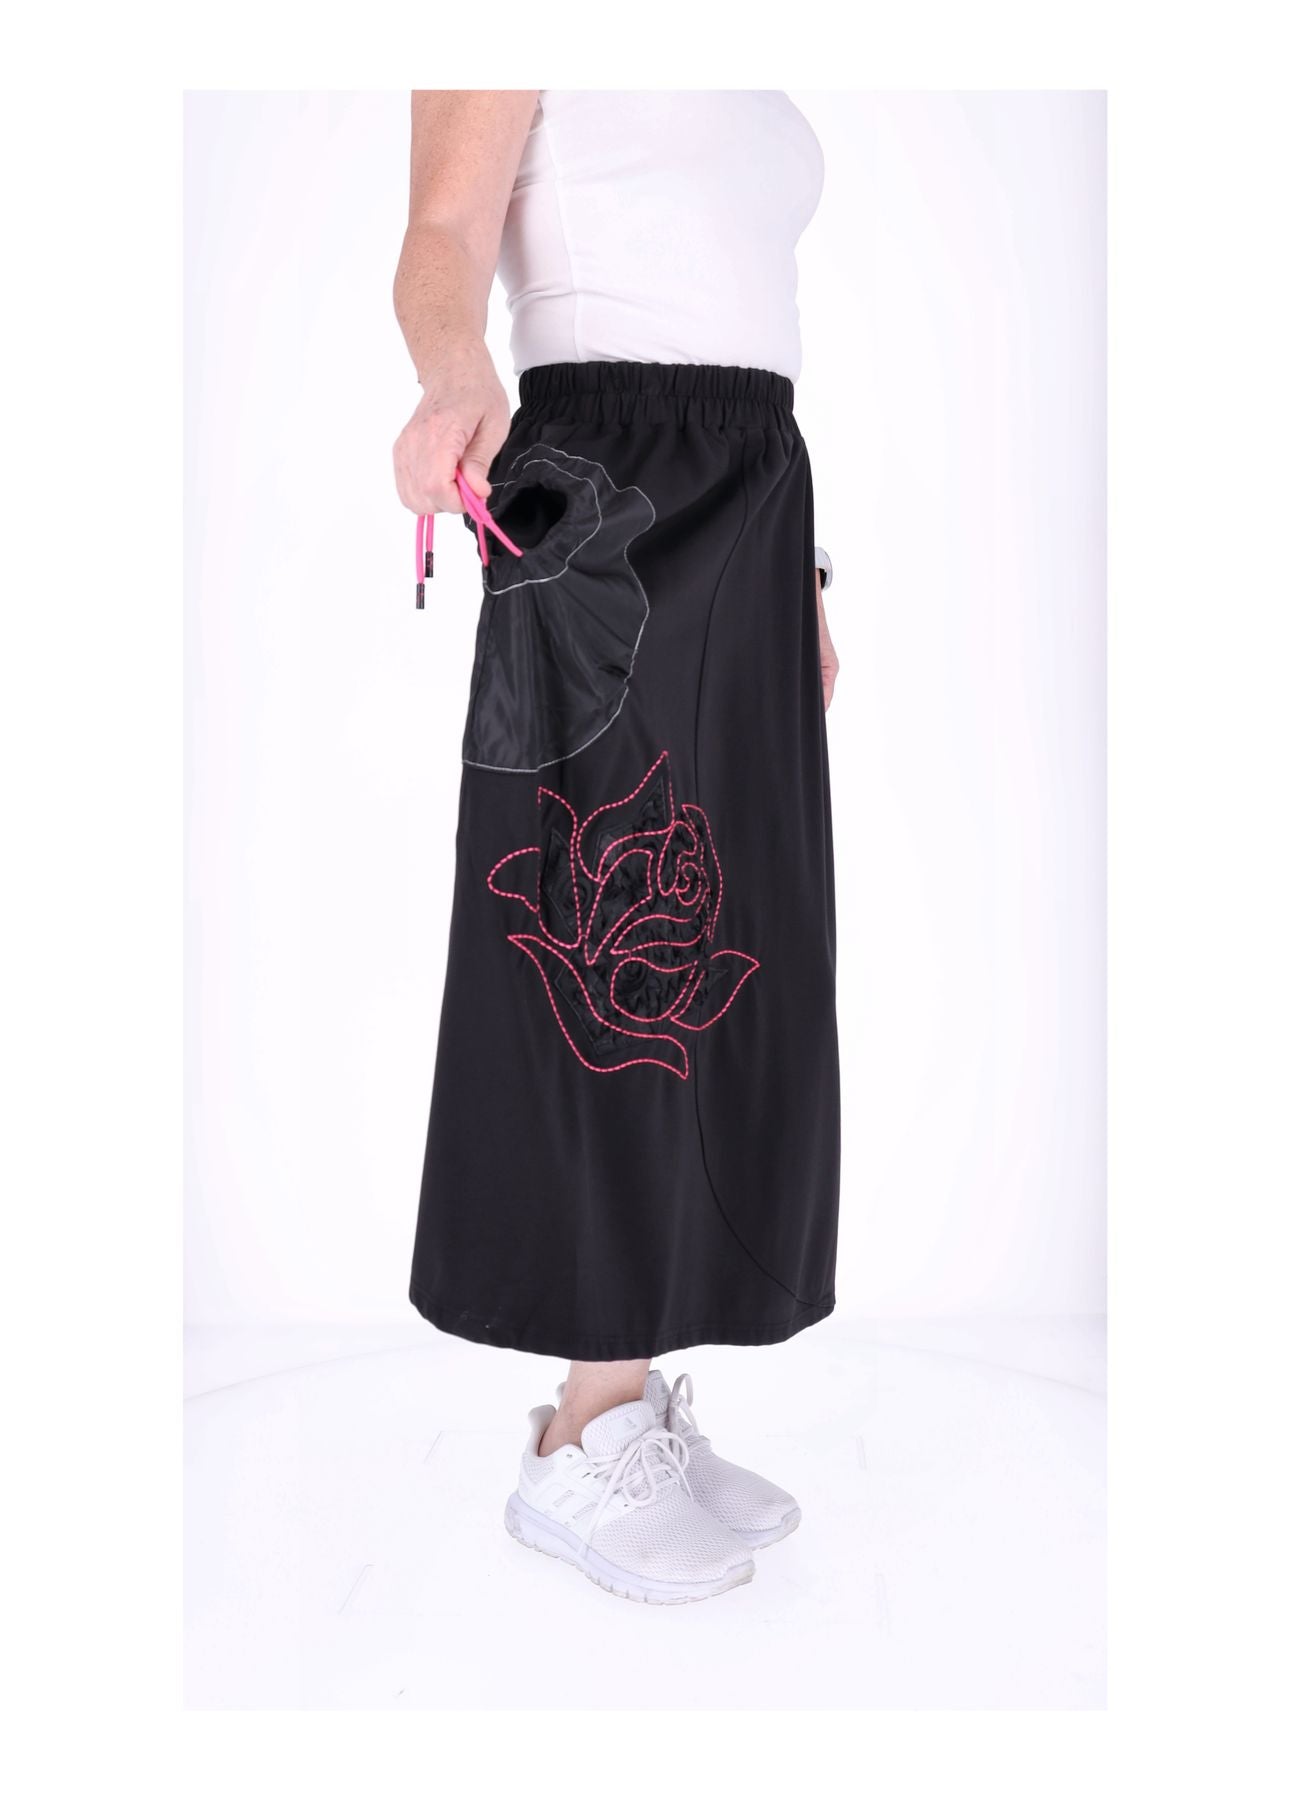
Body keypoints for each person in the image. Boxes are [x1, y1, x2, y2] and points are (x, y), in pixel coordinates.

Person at [394, 89, 841, 1605]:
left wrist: (803, 573)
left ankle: (632, 1394)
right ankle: (580, 1437)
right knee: (605, 961)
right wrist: (455, 374)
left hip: (754, 479)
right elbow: (440, 234)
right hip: (602, 486)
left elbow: (744, 302)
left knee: (738, 955)